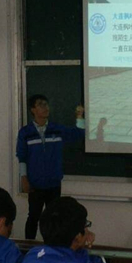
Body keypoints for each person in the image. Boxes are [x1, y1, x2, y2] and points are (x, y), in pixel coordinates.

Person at [16, 94, 85, 239]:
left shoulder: (56, 129)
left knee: (53, 219)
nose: (45, 107)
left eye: (46, 104)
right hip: (35, 184)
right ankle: (28, 248)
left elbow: (79, 133)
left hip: (53, 183)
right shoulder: (25, 132)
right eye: (41, 104)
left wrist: (79, 117)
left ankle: (51, 247)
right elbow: (22, 156)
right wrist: (24, 178)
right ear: (33, 109)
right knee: (33, 217)